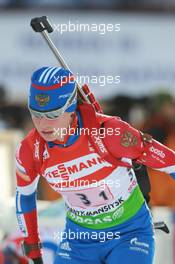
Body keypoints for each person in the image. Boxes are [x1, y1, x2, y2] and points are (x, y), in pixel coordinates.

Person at [15, 66, 175, 264]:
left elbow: (171, 163)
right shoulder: (30, 150)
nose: (43, 124)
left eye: (53, 114)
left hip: (128, 234)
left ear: (71, 107)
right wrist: (33, 250)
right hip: (78, 242)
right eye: (36, 113)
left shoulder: (110, 132)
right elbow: (25, 196)